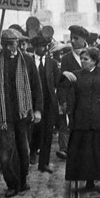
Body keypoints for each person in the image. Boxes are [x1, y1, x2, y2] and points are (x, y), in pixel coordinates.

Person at [0, 29, 43, 198]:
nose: (12, 47)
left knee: (23, 150)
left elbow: (37, 87)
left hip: (23, 114)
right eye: (8, 44)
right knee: (5, 153)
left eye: (15, 43)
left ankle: (23, 179)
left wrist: (37, 109)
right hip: (3, 116)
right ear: (2, 45)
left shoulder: (27, 60)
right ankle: (12, 184)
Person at [65, 48, 100, 194]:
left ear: (95, 61)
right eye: (82, 59)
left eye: (86, 59)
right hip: (82, 119)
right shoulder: (76, 76)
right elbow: (67, 91)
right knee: (86, 151)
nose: (82, 61)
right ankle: (89, 180)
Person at [57, 25, 89, 160]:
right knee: (67, 123)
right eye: (71, 38)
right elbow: (62, 83)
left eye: (76, 38)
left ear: (83, 39)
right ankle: (66, 149)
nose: (73, 41)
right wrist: (62, 101)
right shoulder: (66, 58)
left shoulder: (93, 54)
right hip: (71, 98)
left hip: (88, 97)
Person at [30, 36, 60, 173]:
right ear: (35, 47)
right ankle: (31, 156)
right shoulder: (28, 61)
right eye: (39, 46)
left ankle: (44, 163)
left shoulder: (52, 63)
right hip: (32, 102)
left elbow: (56, 82)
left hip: (48, 103)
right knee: (33, 131)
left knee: (47, 133)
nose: (42, 49)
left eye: (44, 46)